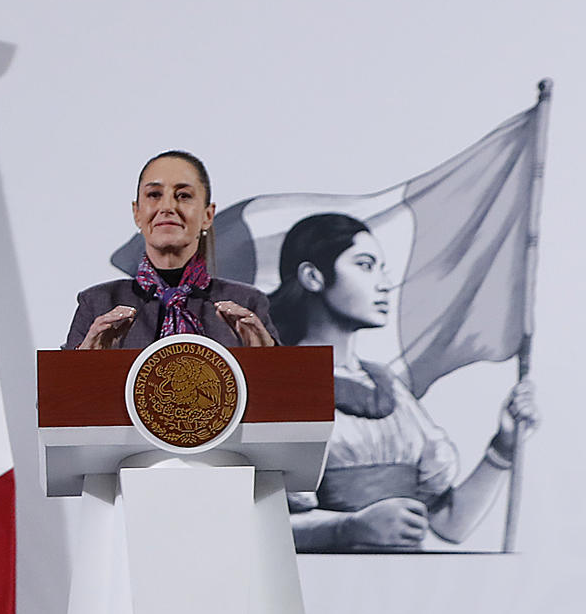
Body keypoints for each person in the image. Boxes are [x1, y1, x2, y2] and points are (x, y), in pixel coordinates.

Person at [267, 212, 537, 552]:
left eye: (382, 269)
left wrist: (504, 446)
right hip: (324, 592)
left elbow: (450, 524)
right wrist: (348, 528)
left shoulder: (389, 387)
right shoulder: (278, 382)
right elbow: (257, 527)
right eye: (365, 266)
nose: (383, 283)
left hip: (404, 593)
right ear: (312, 276)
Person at [64, 150, 278, 351]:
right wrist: (84, 362)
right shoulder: (97, 304)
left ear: (208, 216)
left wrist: (266, 359)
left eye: (183, 195)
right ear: (137, 213)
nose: (167, 207)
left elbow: (286, 385)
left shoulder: (247, 304)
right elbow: (62, 388)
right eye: (154, 194)